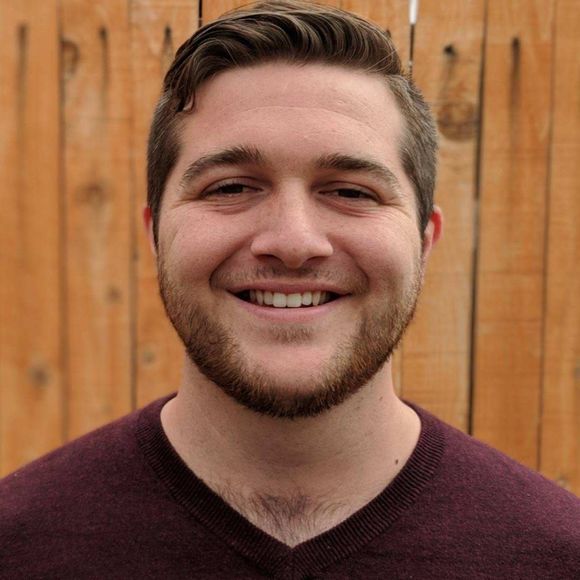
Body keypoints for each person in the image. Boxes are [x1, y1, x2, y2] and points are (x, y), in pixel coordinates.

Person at [1, 1, 578, 578]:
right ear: (156, 235)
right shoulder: (17, 546)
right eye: (230, 187)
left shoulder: (557, 555)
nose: (293, 242)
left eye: (351, 192)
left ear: (424, 241)